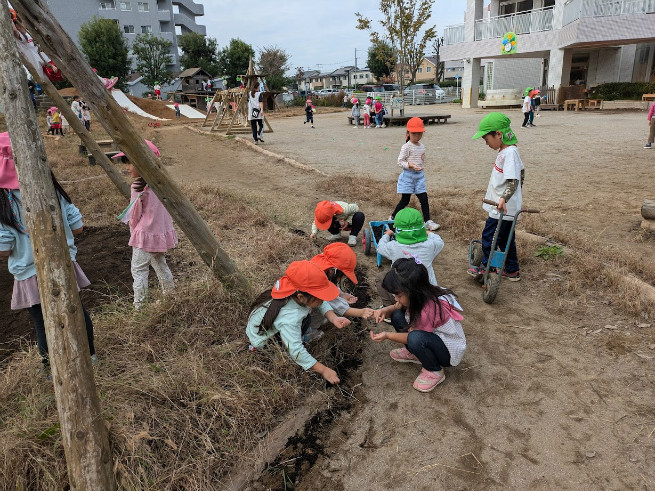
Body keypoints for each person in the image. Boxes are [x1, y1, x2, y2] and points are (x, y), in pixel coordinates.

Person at [0, 132, 97, 376]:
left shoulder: (3, 204)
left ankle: (50, 366)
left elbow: (4, 249)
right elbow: (78, 227)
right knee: (76, 310)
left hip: (29, 271)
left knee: (42, 322)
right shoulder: (52, 188)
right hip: (64, 263)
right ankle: (91, 357)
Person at [370, 258, 466, 393]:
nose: (396, 298)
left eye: (398, 295)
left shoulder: (428, 309)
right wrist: (386, 310)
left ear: (412, 292)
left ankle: (434, 371)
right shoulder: (418, 296)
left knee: (415, 339)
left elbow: (412, 337)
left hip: (448, 351)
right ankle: (415, 353)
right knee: (397, 314)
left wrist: (387, 335)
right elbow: (398, 306)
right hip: (432, 337)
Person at [246, 260, 346, 384]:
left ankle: (294, 335)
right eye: (320, 297)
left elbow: (321, 302)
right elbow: (295, 350)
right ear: (301, 297)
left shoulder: (292, 289)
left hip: (269, 325)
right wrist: (323, 370)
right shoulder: (291, 316)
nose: (323, 299)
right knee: (304, 322)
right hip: (264, 340)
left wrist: (333, 318)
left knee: (307, 316)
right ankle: (281, 348)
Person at [113, 141, 178, 309]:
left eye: (129, 162)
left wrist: (133, 231)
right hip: (160, 233)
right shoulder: (162, 183)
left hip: (144, 234)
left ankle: (139, 307)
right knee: (159, 263)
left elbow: (135, 214)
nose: (127, 167)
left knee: (138, 270)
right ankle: (170, 298)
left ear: (142, 162)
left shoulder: (138, 185)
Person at [468, 112, 525, 281]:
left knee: (489, 236)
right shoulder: (506, 152)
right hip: (505, 206)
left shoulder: (510, 154)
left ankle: (488, 266)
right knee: (507, 238)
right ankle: (512, 270)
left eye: (487, 139)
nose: (486, 143)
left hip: (501, 208)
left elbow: (514, 181)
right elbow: (521, 175)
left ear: (498, 134)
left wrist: (503, 199)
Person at [376, 207, 444, 306]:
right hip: (426, 293)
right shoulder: (430, 245)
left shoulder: (394, 246)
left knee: (380, 277)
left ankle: (389, 307)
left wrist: (387, 235)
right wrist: (428, 232)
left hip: (402, 293)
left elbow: (380, 248)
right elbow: (439, 241)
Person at [308, 242, 375, 333]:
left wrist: (341, 294)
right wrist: (362, 312)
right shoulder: (319, 281)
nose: (341, 279)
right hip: (303, 313)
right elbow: (338, 306)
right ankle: (310, 331)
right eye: (342, 275)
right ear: (333, 270)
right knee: (319, 307)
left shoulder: (320, 268)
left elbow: (331, 287)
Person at [390, 117, 440, 231]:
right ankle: (393, 217)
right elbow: (400, 161)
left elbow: (422, 158)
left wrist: (420, 165)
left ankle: (427, 221)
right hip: (408, 176)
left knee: (424, 199)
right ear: (408, 133)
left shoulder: (422, 146)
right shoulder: (406, 146)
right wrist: (411, 165)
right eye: (414, 134)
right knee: (405, 200)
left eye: (420, 134)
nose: (417, 136)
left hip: (419, 176)